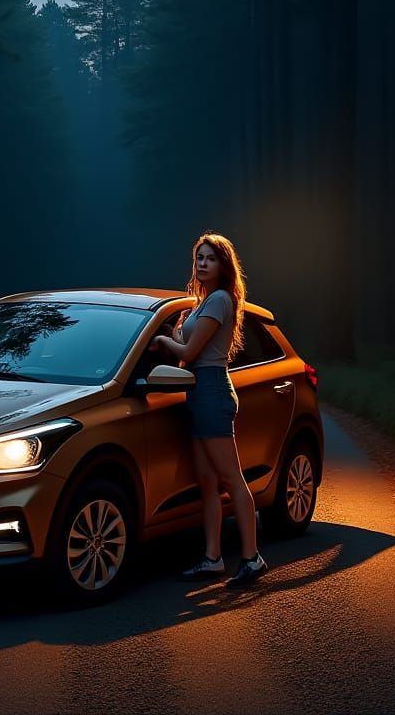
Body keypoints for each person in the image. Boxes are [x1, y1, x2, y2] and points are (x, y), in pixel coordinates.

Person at [151, 231, 268, 589]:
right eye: (199, 258)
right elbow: (188, 344)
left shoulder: (218, 299)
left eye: (210, 259)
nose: (202, 264)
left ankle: (252, 558)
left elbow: (188, 354)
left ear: (223, 265)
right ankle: (212, 558)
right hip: (198, 393)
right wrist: (176, 330)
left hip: (212, 389)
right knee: (208, 483)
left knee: (232, 479)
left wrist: (162, 340)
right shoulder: (201, 304)